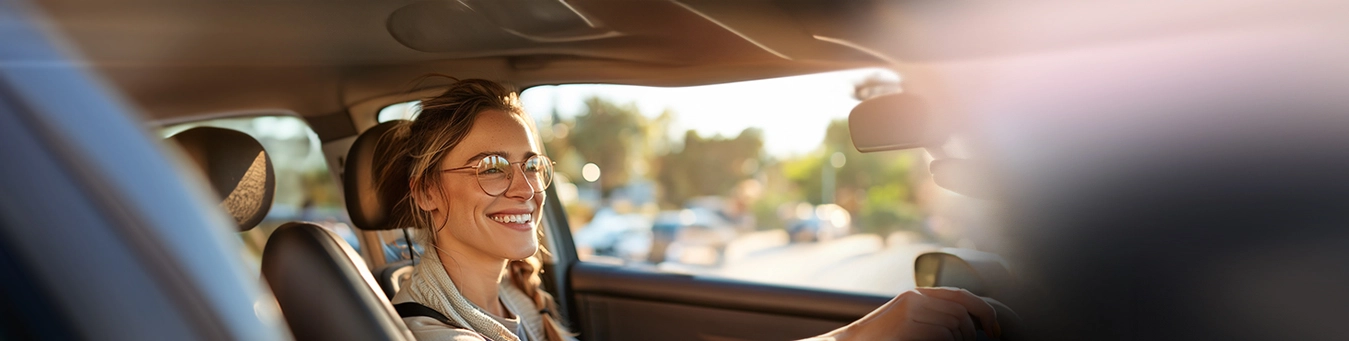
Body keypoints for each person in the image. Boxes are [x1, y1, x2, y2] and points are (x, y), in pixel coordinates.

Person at [376, 79, 1002, 341]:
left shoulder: (513, 302)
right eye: (490, 167)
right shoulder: (434, 330)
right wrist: (859, 335)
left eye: (533, 164)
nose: (524, 187)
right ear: (429, 189)